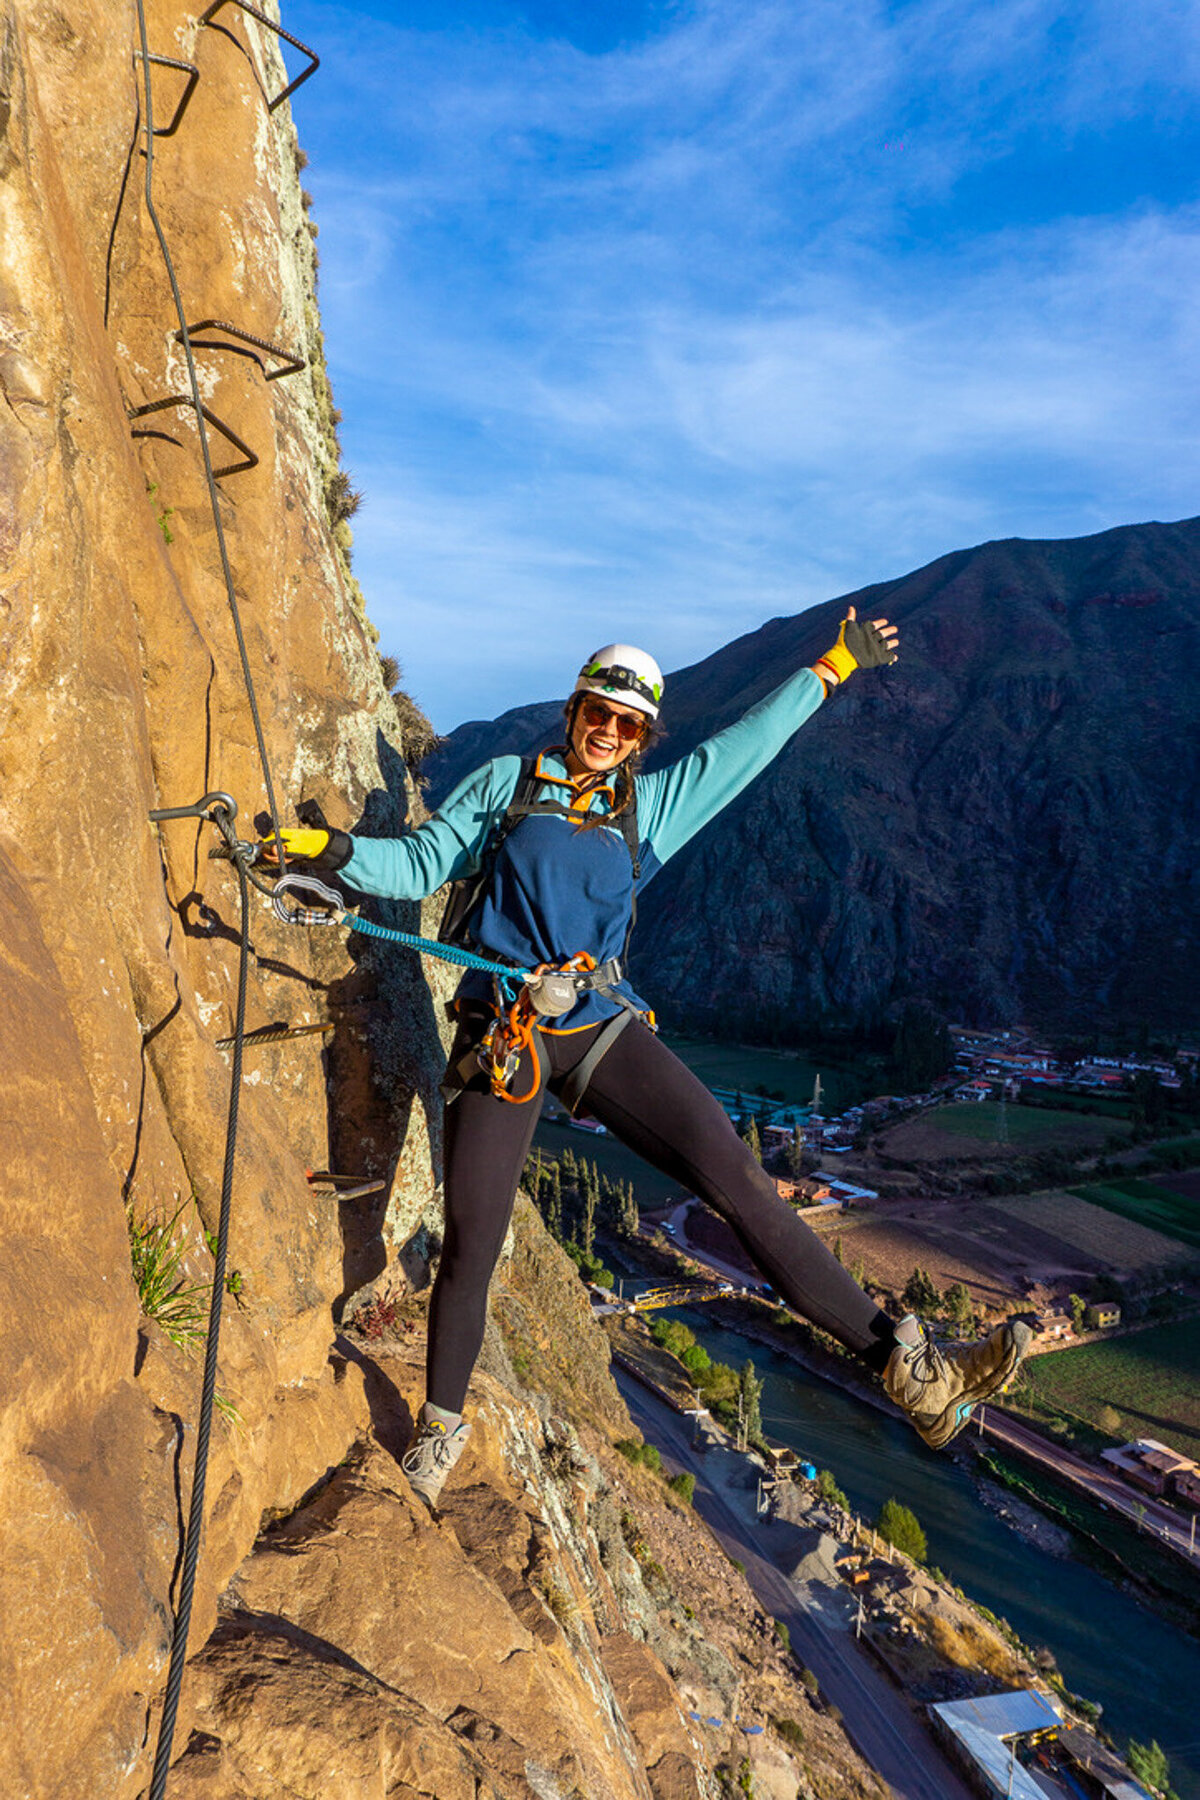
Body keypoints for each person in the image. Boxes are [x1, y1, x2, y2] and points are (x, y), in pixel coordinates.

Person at [266, 611, 1033, 1509]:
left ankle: (915, 1371)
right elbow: (423, 862)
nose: (611, 731)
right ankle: (440, 1426)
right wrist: (338, 852)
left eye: (630, 724)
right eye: (601, 711)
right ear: (575, 707)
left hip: (595, 1024)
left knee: (741, 1181)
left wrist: (831, 667)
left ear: (641, 737)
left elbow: (747, 749)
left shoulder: (648, 809)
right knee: (474, 1241)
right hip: (504, 1036)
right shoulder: (507, 786)